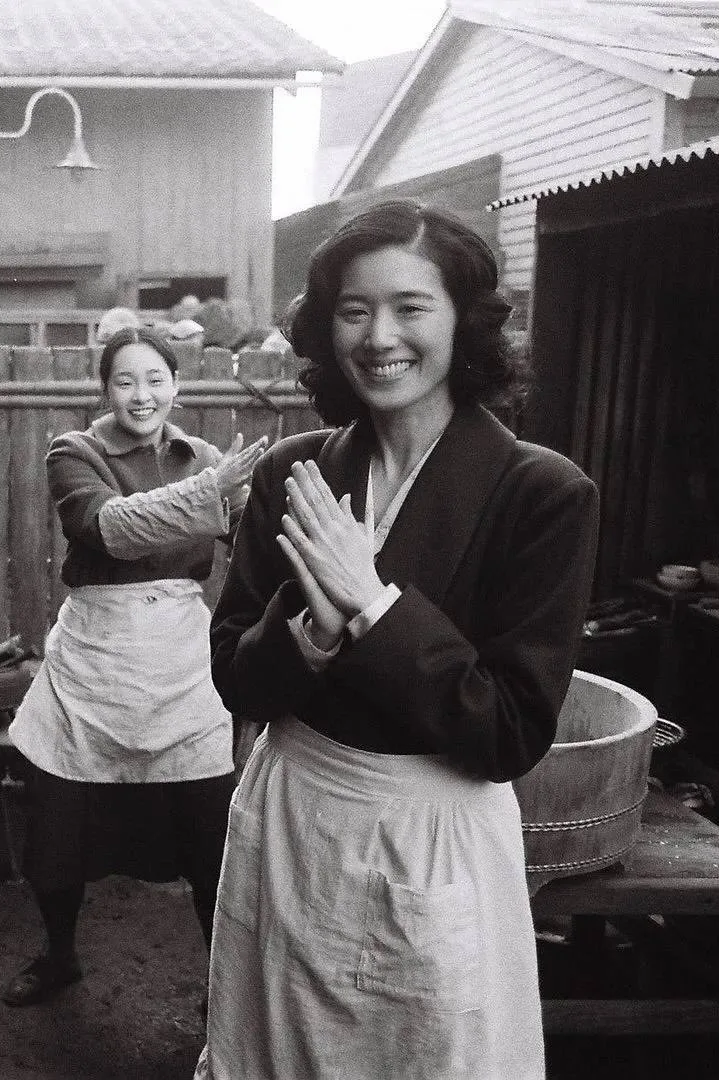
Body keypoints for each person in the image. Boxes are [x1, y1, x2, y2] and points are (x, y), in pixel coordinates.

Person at [194, 200, 599, 1078]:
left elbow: (508, 733)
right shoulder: (294, 472)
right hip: (294, 815)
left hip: (431, 838)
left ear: (464, 322)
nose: (379, 337)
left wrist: (374, 605)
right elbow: (236, 679)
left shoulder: (542, 494)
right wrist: (311, 628)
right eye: (354, 310)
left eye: (411, 307)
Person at [4, 326, 268, 1007]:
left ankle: (223, 988)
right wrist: (211, 493)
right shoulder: (75, 452)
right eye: (125, 381)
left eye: (155, 379)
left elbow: (253, 549)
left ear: (176, 386)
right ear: (105, 390)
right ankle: (59, 955)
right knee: (57, 823)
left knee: (209, 830)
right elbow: (110, 529)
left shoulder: (202, 457)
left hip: (182, 660)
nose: (141, 395)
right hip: (93, 661)